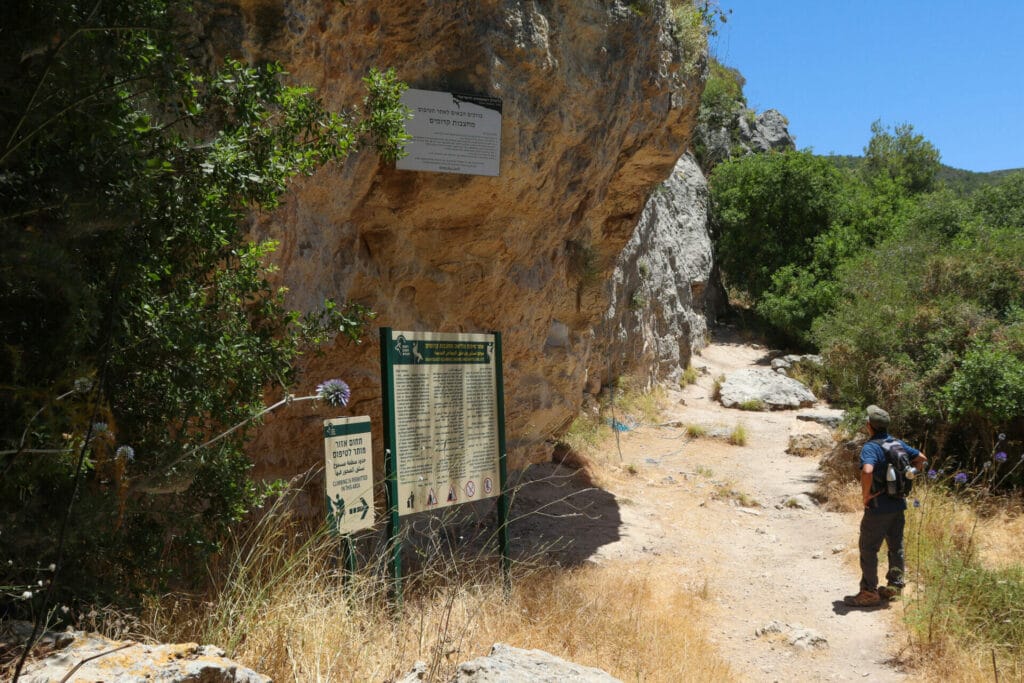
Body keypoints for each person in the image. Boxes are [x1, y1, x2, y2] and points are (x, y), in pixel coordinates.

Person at [844, 405, 927, 607]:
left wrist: (866, 495)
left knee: (868, 548)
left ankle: (869, 592)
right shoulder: (897, 443)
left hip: (878, 506)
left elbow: (867, 470)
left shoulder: (871, 447)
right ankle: (894, 588)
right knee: (895, 547)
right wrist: (912, 473)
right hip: (898, 504)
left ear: (868, 426)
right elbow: (922, 459)